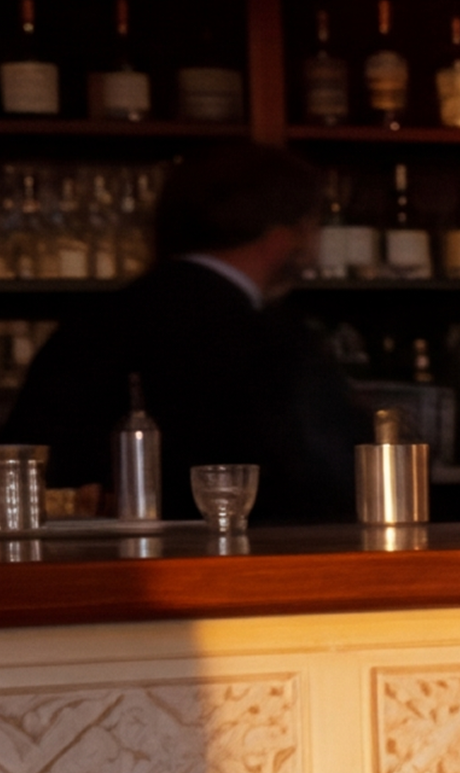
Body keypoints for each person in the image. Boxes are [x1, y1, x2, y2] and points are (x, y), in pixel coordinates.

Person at [0, 143, 360, 522]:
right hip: (253, 566)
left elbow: (22, 467)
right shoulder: (269, 337)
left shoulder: (92, 322)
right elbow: (332, 477)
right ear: (290, 233)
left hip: (95, 570)